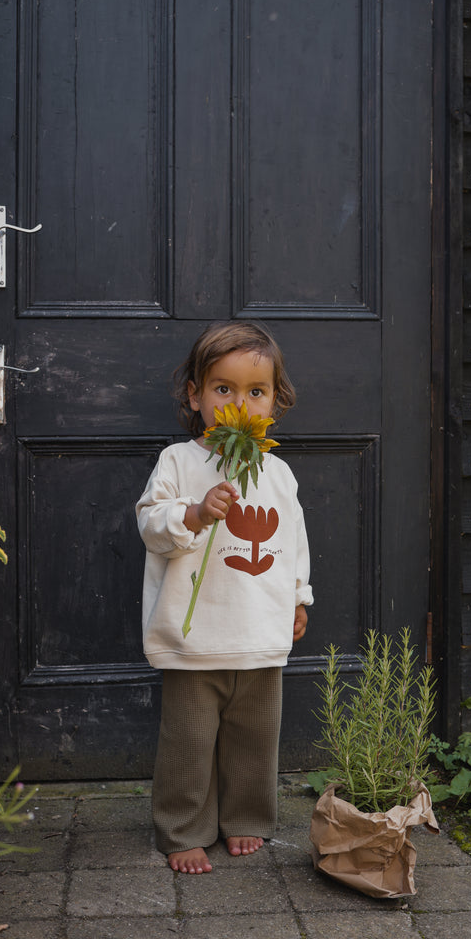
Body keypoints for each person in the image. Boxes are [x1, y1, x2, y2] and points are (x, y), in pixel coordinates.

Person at [136, 321, 313, 875]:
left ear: (274, 405)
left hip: (259, 633)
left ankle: (247, 817)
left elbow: (292, 542)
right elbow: (150, 524)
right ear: (195, 395)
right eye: (223, 389)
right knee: (188, 744)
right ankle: (182, 827)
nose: (239, 403)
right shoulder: (179, 462)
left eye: (255, 392)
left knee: (254, 740)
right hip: (194, 638)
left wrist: (299, 599)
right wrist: (192, 512)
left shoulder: (278, 473)